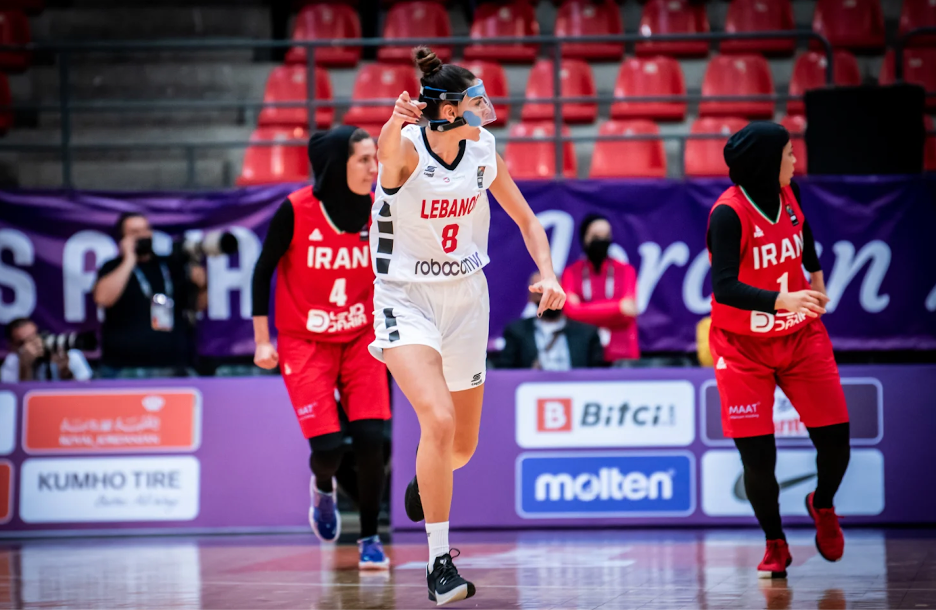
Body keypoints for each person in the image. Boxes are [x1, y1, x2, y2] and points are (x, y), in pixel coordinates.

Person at [371, 47, 565, 605]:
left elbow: (527, 219)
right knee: (435, 419)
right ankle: (438, 563)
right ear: (450, 109)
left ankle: (424, 480)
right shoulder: (406, 149)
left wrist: (547, 273)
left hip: (465, 300)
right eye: (476, 97)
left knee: (461, 445)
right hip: (405, 297)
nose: (487, 104)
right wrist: (391, 121)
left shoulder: (483, 150)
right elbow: (387, 157)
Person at [707, 121, 850, 579]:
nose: (795, 161)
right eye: (789, 154)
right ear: (767, 163)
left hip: (800, 334)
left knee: (836, 443)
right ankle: (775, 542)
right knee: (758, 458)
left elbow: (805, 235)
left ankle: (821, 503)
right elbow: (724, 287)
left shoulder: (791, 193)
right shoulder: (727, 214)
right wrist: (781, 298)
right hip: (742, 345)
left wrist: (817, 276)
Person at [251, 126, 392, 570]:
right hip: (305, 339)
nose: (375, 167)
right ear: (337, 166)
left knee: (373, 440)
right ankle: (323, 488)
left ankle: (370, 537)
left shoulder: (379, 208)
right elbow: (261, 273)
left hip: (360, 336)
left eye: (375, 158)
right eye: (364, 160)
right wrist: (261, 340)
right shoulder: (295, 210)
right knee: (329, 448)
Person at [93, 213, 206, 378]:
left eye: (146, 230)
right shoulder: (113, 267)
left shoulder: (170, 265)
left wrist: (203, 286)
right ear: (123, 238)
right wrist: (128, 260)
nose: (142, 235)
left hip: (173, 365)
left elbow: (197, 306)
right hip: (123, 368)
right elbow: (102, 298)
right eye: (135, 232)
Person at [561, 214, 640, 365]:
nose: (602, 241)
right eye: (596, 236)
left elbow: (629, 312)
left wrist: (583, 310)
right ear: (585, 238)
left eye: (606, 236)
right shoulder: (571, 272)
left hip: (622, 354)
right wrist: (618, 307)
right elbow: (570, 312)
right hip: (583, 351)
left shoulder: (626, 271)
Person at [496, 271, 604, 370]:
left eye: (552, 293)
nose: (547, 299)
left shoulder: (587, 334)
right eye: (540, 294)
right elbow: (505, 371)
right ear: (531, 297)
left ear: (564, 293)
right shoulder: (517, 332)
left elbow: (598, 376)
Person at [1, 318, 92, 382]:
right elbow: (14, 396)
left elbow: (85, 390)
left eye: (35, 335)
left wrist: (65, 371)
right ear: (13, 346)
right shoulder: (13, 361)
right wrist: (25, 366)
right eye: (23, 342)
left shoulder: (71, 354)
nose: (34, 343)